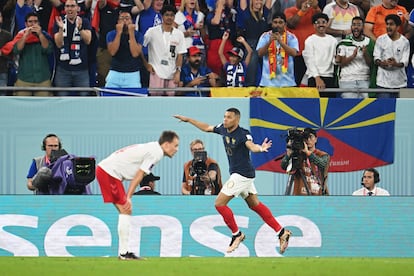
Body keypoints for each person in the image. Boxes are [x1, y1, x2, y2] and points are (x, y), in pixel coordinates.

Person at [174, 108, 292, 254]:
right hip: (244, 175)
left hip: (241, 175)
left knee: (219, 203)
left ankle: (237, 234)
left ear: (237, 119)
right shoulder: (223, 129)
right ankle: (281, 232)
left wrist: (260, 149)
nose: (225, 120)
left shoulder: (243, 134)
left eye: (229, 117)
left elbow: (251, 146)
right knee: (255, 205)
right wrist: (189, 119)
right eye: (224, 117)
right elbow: (206, 127)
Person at [96, 130, 179, 260]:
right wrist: (128, 197)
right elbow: (139, 175)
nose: (177, 149)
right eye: (175, 145)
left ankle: (124, 252)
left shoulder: (153, 148)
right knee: (126, 209)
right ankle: (124, 253)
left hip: (107, 171)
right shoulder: (156, 153)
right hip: (109, 172)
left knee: (125, 211)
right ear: (167, 144)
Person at [143, 4, 186, 96]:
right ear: (162, 16)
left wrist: (178, 72)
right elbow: (140, 47)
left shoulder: (179, 34)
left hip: (172, 72)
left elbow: (180, 54)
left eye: (172, 15)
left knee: (170, 101)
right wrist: (146, 64)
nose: (169, 17)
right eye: (167, 15)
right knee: (155, 101)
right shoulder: (152, 31)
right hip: (156, 72)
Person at [53, 0, 92, 96]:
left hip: (81, 70)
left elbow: (88, 40)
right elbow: (58, 43)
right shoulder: (59, 21)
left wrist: (80, 29)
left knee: (84, 100)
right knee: (62, 101)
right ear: (64, 8)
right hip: (63, 70)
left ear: (78, 8)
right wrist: (61, 29)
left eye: (72, 6)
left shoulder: (84, 21)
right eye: (67, 6)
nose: (70, 9)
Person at [12, 12, 54, 96]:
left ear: (39, 23)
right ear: (25, 23)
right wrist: (25, 36)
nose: (33, 24)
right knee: (22, 106)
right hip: (24, 79)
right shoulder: (20, 36)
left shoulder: (45, 36)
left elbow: (48, 49)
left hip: (42, 79)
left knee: (44, 107)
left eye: (35, 21)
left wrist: (40, 34)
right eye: (30, 22)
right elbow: (16, 50)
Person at [280, 128, 330, 196]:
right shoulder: (299, 155)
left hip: (319, 196)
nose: (308, 140)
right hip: (300, 198)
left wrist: (308, 153)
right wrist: (289, 154)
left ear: (316, 139)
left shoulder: (323, 155)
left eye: (311, 137)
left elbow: (323, 164)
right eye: (306, 137)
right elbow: (284, 166)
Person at [335, 16, 375, 98]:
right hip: (347, 80)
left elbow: (371, 64)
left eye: (359, 25)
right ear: (351, 27)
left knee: (365, 106)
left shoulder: (369, 42)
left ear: (363, 27)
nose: (356, 27)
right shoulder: (344, 43)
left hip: (364, 79)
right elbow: (340, 63)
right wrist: (352, 56)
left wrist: (365, 54)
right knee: (350, 107)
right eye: (354, 25)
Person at [256, 12, 299, 87]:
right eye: (275, 22)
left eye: (280, 22)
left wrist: (281, 42)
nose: (277, 25)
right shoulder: (265, 36)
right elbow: (260, 53)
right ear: (272, 24)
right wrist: (269, 42)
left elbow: (294, 53)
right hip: (267, 82)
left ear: (285, 24)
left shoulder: (292, 37)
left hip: (287, 82)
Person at [285, 0, 321, 86]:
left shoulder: (313, 10)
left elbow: (321, 21)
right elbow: (291, 24)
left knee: (313, 81)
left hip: (314, 53)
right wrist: (302, 11)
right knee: (298, 81)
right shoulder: (289, 10)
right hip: (298, 53)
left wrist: (316, 7)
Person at [237, 0, 272, 86]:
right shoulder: (246, 13)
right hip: (251, 45)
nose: (259, 2)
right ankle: (249, 92)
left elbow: (269, 2)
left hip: (264, 45)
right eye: (256, 0)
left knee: (266, 71)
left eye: (260, 0)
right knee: (251, 74)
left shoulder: (264, 12)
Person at [373, 14, 409, 97]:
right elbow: (376, 58)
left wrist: (395, 64)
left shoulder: (405, 42)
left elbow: (405, 62)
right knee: (383, 110)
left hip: (400, 84)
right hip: (383, 84)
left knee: (400, 110)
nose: (388, 26)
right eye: (387, 24)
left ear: (397, 27)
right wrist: (382, 63)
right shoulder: (380, 39)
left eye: (391, 24)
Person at [105, 10, 143, 88]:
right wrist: (118, 33)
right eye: (122, 18)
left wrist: (131, 34)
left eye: (127, 18)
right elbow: (112, 52)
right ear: (118, 22)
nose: (125, 21)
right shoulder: (111, 34)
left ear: (132, 21)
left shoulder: (138, 35)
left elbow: (135, 53)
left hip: (133, 74)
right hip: (115, 72)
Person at [302, 13, 337, 95]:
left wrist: (338, 60)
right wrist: (317, 77)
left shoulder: (333, 40)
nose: (321, 25)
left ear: (327, 24)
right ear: (314, 25)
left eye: (324, 22)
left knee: (329, 105)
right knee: (314, 106)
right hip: (314, 77)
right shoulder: (310, 40)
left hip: (329, 77)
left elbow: (334, 60)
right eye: (318, 22)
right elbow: (309, 61)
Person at [0, 11, 12, 94]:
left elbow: (12, 54)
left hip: (2, 71)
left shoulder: (7, 35)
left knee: (2, 97)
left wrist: (2, 53)